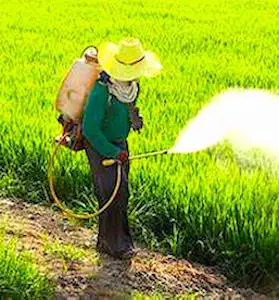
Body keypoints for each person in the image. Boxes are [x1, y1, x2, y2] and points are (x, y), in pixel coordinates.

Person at [82, 38, 162, 259]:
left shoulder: (132, 86)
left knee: (122, 193)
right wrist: (112, 152)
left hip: (119, 145)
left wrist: (134, 118)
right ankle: (114, 245)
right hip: (100, 145)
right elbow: (90, 129)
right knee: (110, 192)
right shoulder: (102, 91)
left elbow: (129, 107)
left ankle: (113, 242)